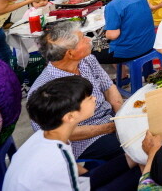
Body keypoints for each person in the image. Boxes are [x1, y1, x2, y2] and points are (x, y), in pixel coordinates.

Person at [5, 76, 141, 190]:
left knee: (135, 160)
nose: (94, 98)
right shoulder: (56, 158)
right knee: (144, 172)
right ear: (70, 116)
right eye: (88, 98)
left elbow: (81, 175)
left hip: (68, 184)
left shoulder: (45, 136)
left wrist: (133, 158)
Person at [29, 21, 124, 163]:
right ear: (70, 53)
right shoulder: (45, 91)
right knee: (129, 148)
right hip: (84, 139)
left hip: (109, 119)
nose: (88, 39)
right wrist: (110, 128)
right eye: (82, 39)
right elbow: (58, 133)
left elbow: (108, 87)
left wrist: (121, 116)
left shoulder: (86, 59)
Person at [93, 0, 155, 64]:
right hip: (149, 43)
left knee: (89, 55)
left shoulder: (113, 6)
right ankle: (123, 71)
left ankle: (122, 73)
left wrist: (105, 33)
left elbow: (113, 35)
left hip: (128, 52)